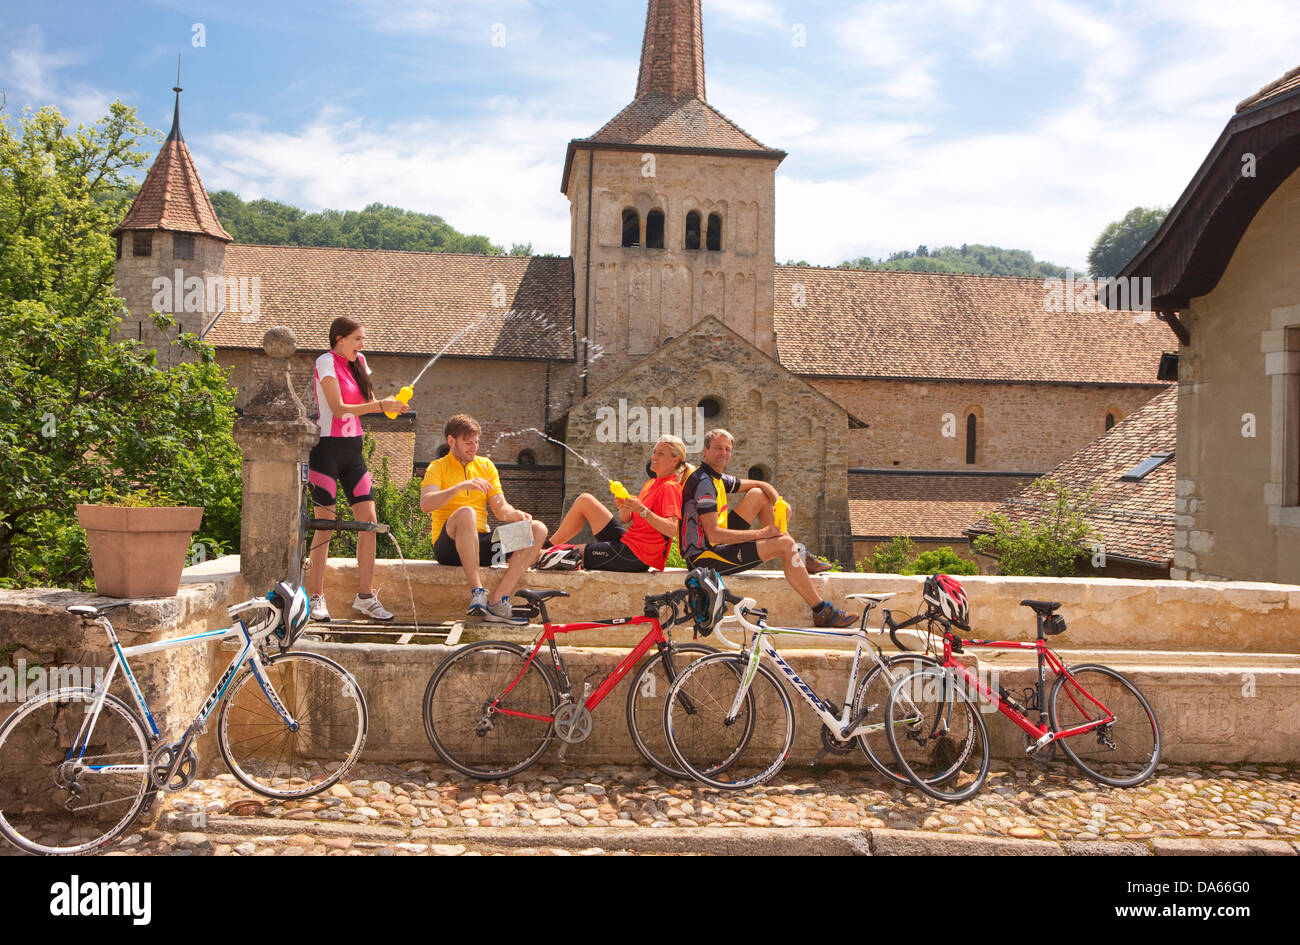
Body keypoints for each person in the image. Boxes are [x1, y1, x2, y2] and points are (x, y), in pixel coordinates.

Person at [680, 427, 856, 628]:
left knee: (758, 495)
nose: (724, 454)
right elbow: (713, 533)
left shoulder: (716, 477)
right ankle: (822, 611)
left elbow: (761, 484)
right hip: (703, 558)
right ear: (706, 451)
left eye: (727, 449)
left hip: (715, 543)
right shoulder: (704, 483)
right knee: (784, 545)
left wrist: (779, 502)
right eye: (718, 448)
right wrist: (763, 534)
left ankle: (799, 553)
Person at [306, 316, 408, 622]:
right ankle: (316, 598)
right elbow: (337, 408)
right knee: (324, 523)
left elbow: (371, 403)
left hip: (354, 450)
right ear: (339, 338)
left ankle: (365, 596)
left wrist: (392, 406)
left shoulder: (359, 362)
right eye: (357, 339)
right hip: (326, 449)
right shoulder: (326, 361)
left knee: (369, 521)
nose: (362, 345)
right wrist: (379, 406)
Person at [419, 414, 548, 623]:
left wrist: (513, 514)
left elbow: (500, 508)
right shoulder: (437, 467)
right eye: (468, 443)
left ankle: (498, 600)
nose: (474, 447)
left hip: (481, 545)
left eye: (476, 442)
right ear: (451, 441)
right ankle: (477, 591)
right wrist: (461, 487)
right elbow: (426, 504)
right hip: (449, 548)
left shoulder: (486, 466)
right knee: (466, 512)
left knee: (538, 529)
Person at [541, 435, 690, 572]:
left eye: (660, 454)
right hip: (628, 544)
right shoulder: (651, 484)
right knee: (585, 500)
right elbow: (625, 519)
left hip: (637, 557)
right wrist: (624, 506)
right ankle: (547, 546)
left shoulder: (670, 487)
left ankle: (539, 554)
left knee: (570, 554)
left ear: (675, 460)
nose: (654, 457)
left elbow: (671, 529)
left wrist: (642, 510)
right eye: (654, 452)